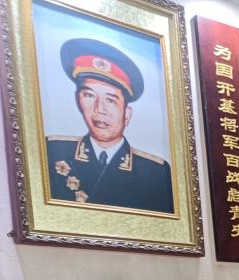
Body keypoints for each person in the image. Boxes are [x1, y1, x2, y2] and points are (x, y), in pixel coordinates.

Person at [47, 38, 173, 213]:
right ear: (77, 100)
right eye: (89, 95)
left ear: (127, 114)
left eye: (110, 100)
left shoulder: (154, 172)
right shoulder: (53, 150)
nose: (99, 109)